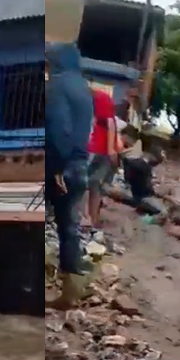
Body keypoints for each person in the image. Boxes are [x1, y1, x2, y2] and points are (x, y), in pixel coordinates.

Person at [45, 42, 94, 310]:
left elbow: (58, 130)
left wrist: (55, 169)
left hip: (60, 166)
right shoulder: (83, 88)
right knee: (68, 227)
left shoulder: (56, 86)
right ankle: (71, 291)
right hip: (80, 165)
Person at [85, 85, 119, 228]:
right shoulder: (98, 97)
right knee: (94, 186)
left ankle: (87, 218)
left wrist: (111, 149)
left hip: (96, 148)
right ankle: (92, 219)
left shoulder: (100, 98)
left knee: (86, 185)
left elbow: (110, 124)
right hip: (97, 148)